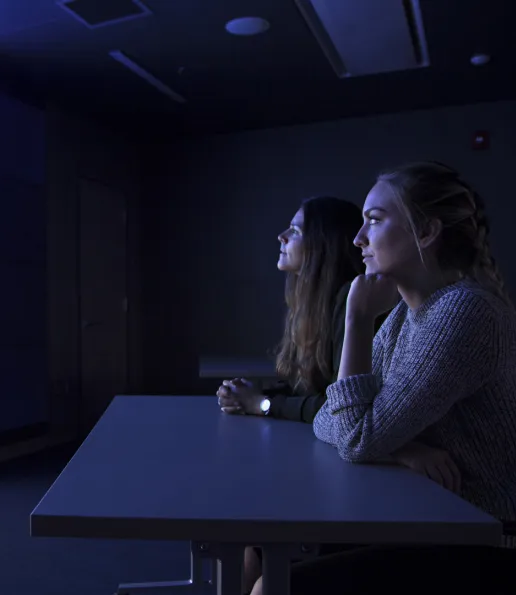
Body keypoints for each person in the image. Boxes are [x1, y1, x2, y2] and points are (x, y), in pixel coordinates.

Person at [253, 162, 516, 595]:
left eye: (374, 221)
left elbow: (356, 437)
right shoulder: (403, 316)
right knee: (263, 549)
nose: (358, 239)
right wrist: (401, 449)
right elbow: (332, 419)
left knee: (274, 585)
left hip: (481, 534)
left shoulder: (464, 313)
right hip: (422, 514)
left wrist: (357, 318)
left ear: (427, 232)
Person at [217, 196, 392, 594]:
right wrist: (260, 394)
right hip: (338, 469)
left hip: (363, 490)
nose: (281, 237)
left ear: (322, 246)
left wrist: (263, 405)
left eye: (294, 230)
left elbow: (338, 406)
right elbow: (313, 390)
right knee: (246, 546)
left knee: (257, 554)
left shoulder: (355, 303)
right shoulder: (315, 302)